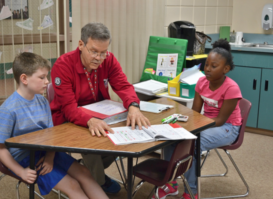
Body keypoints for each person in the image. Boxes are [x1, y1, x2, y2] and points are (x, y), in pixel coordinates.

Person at [50, 22, 151, 194]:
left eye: (103, 52)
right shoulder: (63, 65)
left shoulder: (109, 60)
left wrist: (134, 106)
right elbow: (68, 108)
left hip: (101, 115)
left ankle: (85, 172)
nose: (99, 57)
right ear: (81, 45)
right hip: (68, 120)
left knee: (123, 137)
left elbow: (124, 86)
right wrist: (89, 120)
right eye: (94, 51)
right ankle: (96, 183)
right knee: (92, 146)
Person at [0, 52, 109, 199]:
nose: (47, 81)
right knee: (73, 185)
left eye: (46, 77)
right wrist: (21, 171)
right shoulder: (8, 109)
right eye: (42, 77)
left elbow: (50, 135)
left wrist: (49, 157)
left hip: (46, 150)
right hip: (25, 158)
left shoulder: (42, 102)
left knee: (85, 173)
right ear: (24, 79)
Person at [156, 39, 243, 199]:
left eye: (213, 66)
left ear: (226, 69)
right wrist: (180, 123)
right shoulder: (202, 82)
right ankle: (171, 183)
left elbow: (221, 120)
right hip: (206, 123)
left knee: (192, 144)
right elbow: (195, 112)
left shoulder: (231, 88)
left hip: (228, 128)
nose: (208, 69)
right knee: (171, 138)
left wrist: (194, 129)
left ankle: (192, 191)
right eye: (207, 64)